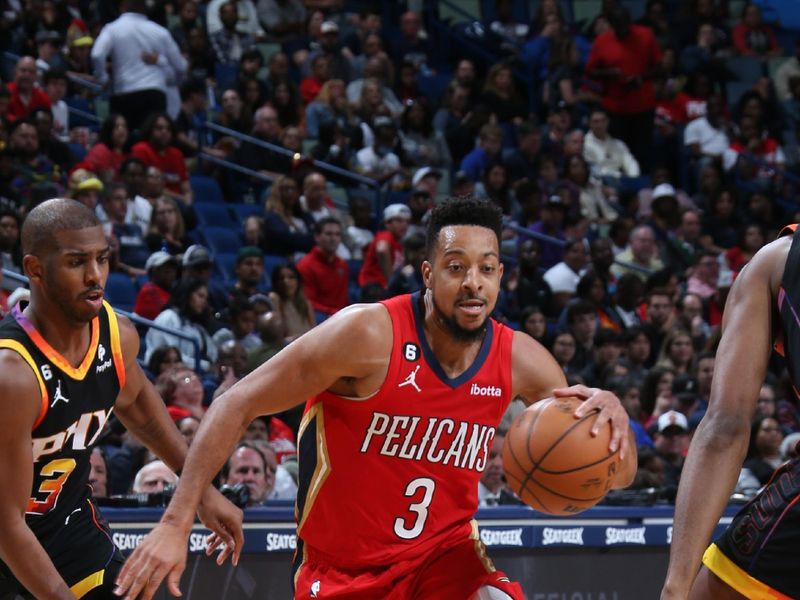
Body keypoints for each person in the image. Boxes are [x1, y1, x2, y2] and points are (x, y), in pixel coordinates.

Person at [116, 196, 635, 600]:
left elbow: (618, 470)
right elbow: (237, 402)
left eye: (487, 268)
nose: (473, 282)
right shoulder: (366, 334)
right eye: (456, 267)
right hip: (340, 567)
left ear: (501, 275)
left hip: (444, 555)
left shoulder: (523, 360)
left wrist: (615, 422)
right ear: (429, 273)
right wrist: (176, 519)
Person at [0, 199, 241, 599]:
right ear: (35, 270)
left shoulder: (116, 334)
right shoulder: (13, 375)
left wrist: (202, 493)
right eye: (77, 262)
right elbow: (6, 525)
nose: (95, 276)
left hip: (68, 527)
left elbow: (143, 412)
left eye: (102, 259)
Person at [661, 226, 800, 599]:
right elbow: (724, 428)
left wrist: (675, 590)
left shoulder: (775, 265)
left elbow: (725, 429)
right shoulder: (775, 266)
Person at [90, 0, 187, 132]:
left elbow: (97, 54)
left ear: (122, 5)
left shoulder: (112, 28)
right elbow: (181, 66)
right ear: (144, 7)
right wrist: (172, 81)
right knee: (153, 145)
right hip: (154, 94)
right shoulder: (160, 32)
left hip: (124, 92)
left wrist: (103, 79)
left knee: (124, 145)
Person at [296, 217, 349, 316]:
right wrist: (334, 313)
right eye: (328, 234)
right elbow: (308, 303)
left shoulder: (342, 265)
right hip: (318, 317)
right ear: (317, 237)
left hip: (338, 316)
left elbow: (343, 300)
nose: (333, 238)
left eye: (337, 234)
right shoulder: (305, 265)